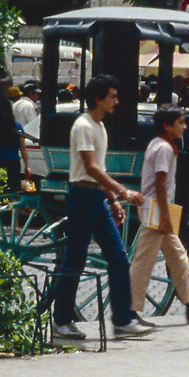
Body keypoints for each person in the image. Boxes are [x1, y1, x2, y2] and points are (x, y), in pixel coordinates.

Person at [51, 75, 152, 340]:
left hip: (97, 199)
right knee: (75, 259)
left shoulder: (100, 127)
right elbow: (91, 167)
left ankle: (121, 318)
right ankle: (61, 320)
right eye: (112, 97)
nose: (116, 102)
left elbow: (100, 170)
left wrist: (112, 199)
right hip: (82, 198)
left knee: (118, 257)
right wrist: (123, 192)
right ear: (98, 99)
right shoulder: (83, 126)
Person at [129, 106, 189, 324]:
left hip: (158, 207)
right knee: (144, 261)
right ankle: (129, 310)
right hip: (157, 208)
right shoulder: (164, 149)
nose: (184, 127)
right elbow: (161, 184)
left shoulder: (157, 144)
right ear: (167, 125)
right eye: (180, 122)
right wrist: (164, 216)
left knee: (178, 256)